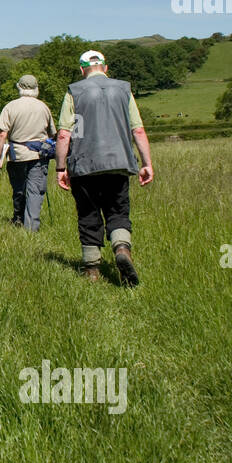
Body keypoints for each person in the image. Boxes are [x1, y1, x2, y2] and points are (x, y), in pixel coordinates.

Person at [55, 50, 154, 286]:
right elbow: (137, 130)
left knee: (89, 215)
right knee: (118, 212)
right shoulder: (123, 89)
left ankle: (91, 271)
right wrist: (146, 163)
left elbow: (64, 134)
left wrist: (60, 168)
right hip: (119, 163)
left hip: (84, 166)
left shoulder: (74, 91)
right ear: (106, 68)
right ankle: (121, 249)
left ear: (82, 70)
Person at [0, 74, 57, 231]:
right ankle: (32, 227)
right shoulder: (44, 107)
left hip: (17, 155)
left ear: (19, 87)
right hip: (39, 155)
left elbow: (3, 134)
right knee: (36, 191)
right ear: (36, 88)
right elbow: (52, 135)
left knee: (19, 189)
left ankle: (18, 219)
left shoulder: (10, 106)